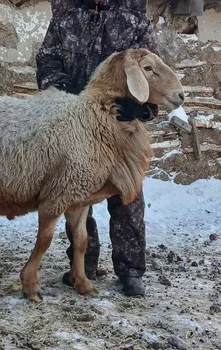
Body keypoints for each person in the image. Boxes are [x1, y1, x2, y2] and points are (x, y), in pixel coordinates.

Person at [36, 0, 159, 296]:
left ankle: (130, 270)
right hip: (78, 125)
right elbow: (48, 61)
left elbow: (154, 69)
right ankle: (83, 264)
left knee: (127, 195)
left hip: (122, 125)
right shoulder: (66, 20)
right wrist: (69, 97)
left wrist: (141, 108)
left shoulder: (134, 20)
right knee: (75, 193)